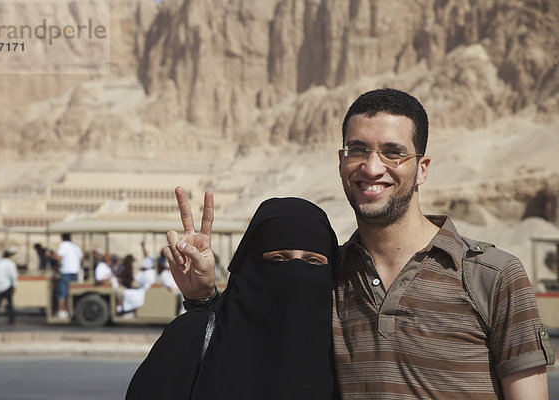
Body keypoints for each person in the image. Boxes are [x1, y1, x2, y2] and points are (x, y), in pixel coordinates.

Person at [163, 88, 554, 399]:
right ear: (340, 161)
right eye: (358, 150)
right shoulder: (322, 277)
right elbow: (258, 353)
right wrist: (203, 298)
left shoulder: (493, 277)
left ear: (422, 168)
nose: (371, 167)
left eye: (393, 152)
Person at [126, 197, 339, 400]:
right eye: (278, 258)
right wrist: (202, 304)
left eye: (313, 261)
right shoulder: (189, 339)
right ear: (249, 264)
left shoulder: (345, 350)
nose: (296, 273)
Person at [50, 233, 82, 319]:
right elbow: (80, 259)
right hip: (75, 272)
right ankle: (70, 310)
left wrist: (49, 255)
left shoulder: (64, 245)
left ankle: (62, 311)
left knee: (62, 293)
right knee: (71, 293)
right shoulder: (75, 246)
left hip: (66, 272)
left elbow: (59, 257)